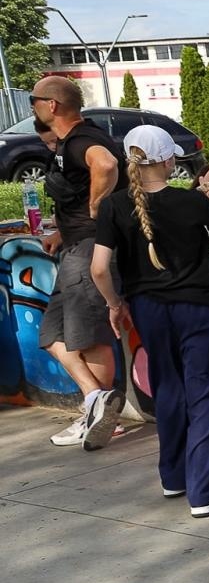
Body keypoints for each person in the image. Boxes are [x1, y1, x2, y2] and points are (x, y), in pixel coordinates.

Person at [88, 126, 209, 518]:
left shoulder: (114, 206)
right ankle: (203, 493)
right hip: (198, 308)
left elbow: (99, 268)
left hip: (148, 309)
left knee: (169, 389)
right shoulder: (190, 203)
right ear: (169, 160)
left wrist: (114, 303)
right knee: (207, 393)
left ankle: (174, 477)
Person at [31, 75, 128, 449]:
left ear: (51, 105)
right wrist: (63, 232)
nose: (34, 108)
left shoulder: (82, 140)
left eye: (34, 101)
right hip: (75, 246)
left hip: (91, 250)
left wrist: (95, 207)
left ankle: (108, 419)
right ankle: (94, 402)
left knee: (89, 340)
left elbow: (104, 165)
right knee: (52, 336)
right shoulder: (69, 142)